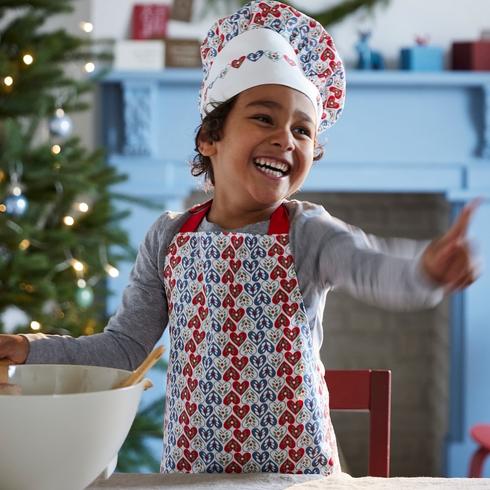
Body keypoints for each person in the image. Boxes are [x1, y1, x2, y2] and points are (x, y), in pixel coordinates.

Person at [0, 0, 480, 476]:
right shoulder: (168, 238)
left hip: (298, 474)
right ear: (210, 138)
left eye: (302, 130)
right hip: (194, 474)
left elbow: (372, 268)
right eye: (264, 118)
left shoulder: (308, 231)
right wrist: (30, 347)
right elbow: (122, 348)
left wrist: (425, 270)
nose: (286, 139)